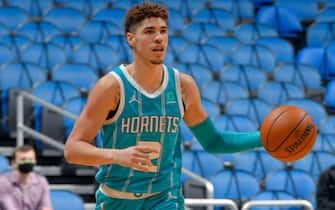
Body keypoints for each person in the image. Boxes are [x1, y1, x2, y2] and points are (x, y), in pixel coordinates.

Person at [64, 2, 262, 210]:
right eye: (149, 32)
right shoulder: (111, 87)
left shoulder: (183, 85)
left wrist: (263, 138)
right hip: (118, 199)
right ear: (131, 39)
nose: (159, 38)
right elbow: (73, 149)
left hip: (165, 199)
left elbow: (214, 141)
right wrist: (116, 155)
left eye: (163, 31)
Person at [0, 145, 52, 210]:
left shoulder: (42, 182)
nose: (27, 162)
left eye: (30, 159)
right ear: (13, 162)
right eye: (23, 159)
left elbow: (46, 206)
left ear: (35, 161)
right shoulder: (3, 182)